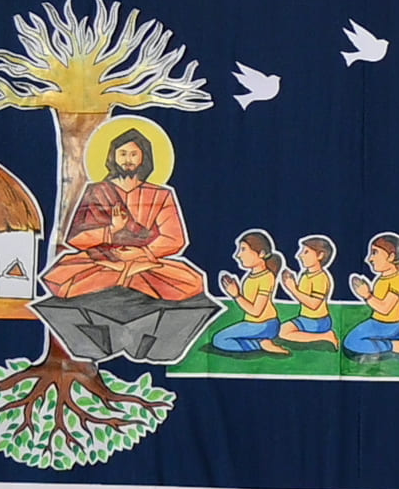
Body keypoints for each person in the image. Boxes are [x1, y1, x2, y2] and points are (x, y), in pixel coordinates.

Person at [46, 127, 205, 301]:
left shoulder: (161, 194)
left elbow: (174, 238)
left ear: (144, 157)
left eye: (133, 154)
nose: (128, 160)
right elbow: (75, 238)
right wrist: (111, 230)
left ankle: (126, 281)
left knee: (191, 282)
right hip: (102, 262)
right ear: (113, 157)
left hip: (145, 263)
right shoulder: (97, 191)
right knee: (64, 277)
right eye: (122, 154)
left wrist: (143, 253)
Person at [209, 231, 288, 356]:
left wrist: (236, 295)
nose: (238, 255)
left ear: (261, 253)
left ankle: (260, 344)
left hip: (265, 325)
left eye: (243, 249)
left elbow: (256, 311)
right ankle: (260, 341)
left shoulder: (267, 277)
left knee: (220, 340)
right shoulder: (250, 277)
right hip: (254, 324)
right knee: (221, 338)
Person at [343, 234, 399, 362]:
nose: (369, 259)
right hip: (378, 323)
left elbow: (385, 309)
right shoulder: (383, 278)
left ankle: (394, 345)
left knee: (352, 343)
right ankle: (389, 344)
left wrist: (367, 295)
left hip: (391, 326)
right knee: (350, 342)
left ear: (391, 256)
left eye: (374, 253)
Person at [278, 236, 340, 348]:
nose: (299, 255)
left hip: (317, 321)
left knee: (283, 332)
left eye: (305, 252)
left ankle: (326, 336)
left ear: (320, 255)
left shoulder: (320, 277)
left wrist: (293, 289)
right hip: (306, 318)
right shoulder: (305, 275)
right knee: (281, 330)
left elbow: (314, 304)